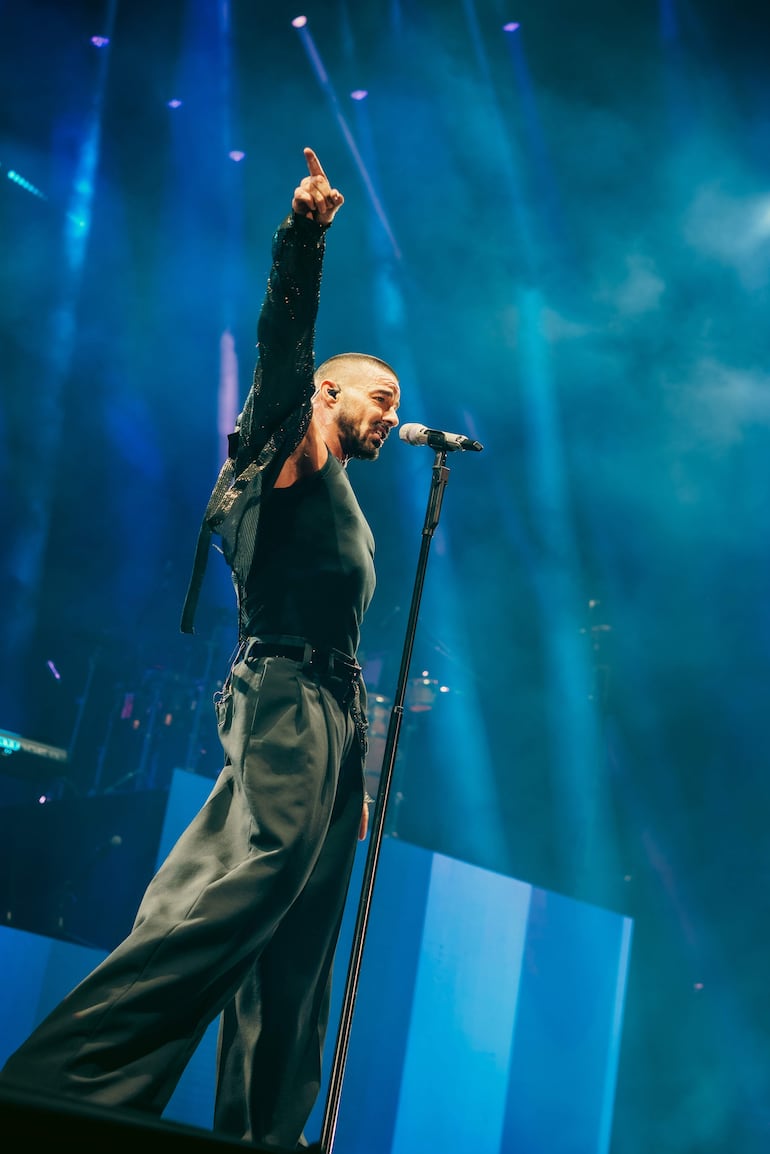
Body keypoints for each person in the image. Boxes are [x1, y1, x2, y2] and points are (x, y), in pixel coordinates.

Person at [0, 146, 401, 1151]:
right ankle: (58, 1087)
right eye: (376, 397)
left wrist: (356, 769)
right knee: (234, 894)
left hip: (328, 718)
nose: (390, 414)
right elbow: (280, 344)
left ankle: (264, 1133)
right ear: (325, 396)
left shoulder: (340, 495)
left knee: (296, 939)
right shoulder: (287, 448)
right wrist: (303, 237)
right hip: (281, 701)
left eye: (396, 402)